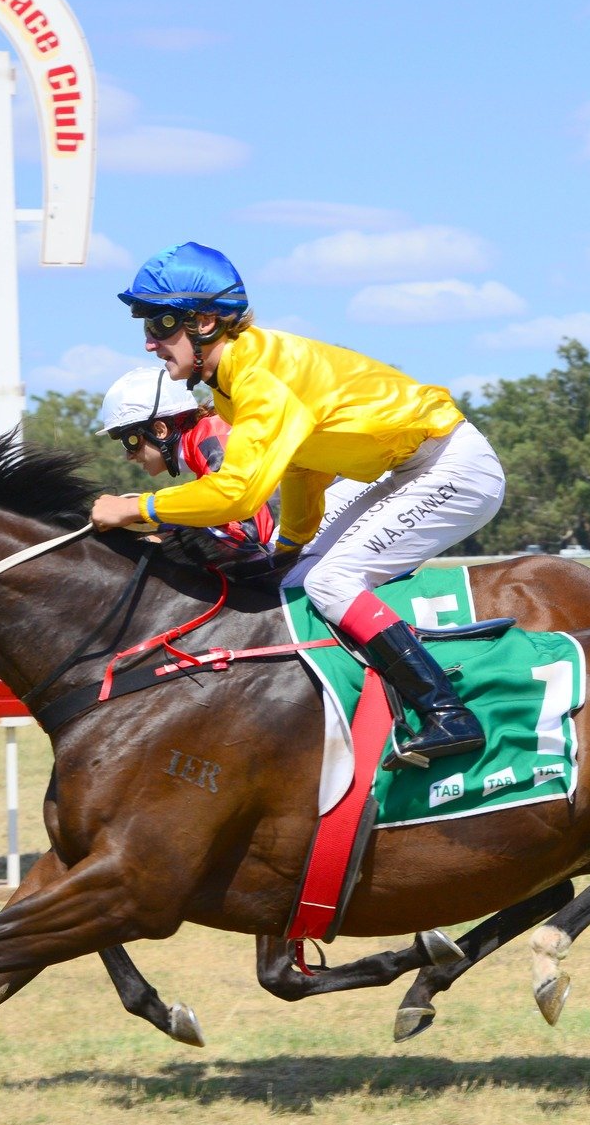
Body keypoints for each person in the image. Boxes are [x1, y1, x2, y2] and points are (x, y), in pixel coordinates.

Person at [88, 241, 505, 766]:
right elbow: (305, 467)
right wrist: (289, 544)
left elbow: (238, 493)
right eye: (146, 328)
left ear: (207, 322)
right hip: (409, 466)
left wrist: (136, 509)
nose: (150, 344)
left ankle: (447, 712)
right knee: (289, 578)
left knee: (331, 581)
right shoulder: (231, 381)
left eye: (161, 326)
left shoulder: (258, 378)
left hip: (453, 466)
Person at [91, 364, 275, 553]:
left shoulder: (213, 436)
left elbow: (251, 534)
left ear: (159, 430)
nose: (129, 456)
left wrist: (136, 510)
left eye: (130, 441)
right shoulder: (202, 443)